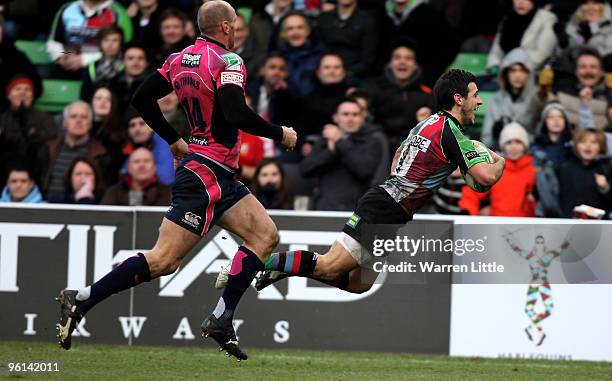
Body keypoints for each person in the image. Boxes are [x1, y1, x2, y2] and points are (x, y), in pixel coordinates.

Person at [54, 1, 297, 362]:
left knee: (265, 235)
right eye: (235, 24)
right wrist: (280, 133)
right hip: (205, 175)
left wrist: (172, 138)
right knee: (165, 260)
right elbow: (234, 111)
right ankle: (83, 298)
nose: (237, 29)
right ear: (227, 28)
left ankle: (221, 318)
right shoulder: (229, 62)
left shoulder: (180, 58)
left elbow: (141, 97)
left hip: (216, 172)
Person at [251, 69, 505, 299]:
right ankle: (258, 262)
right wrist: (500, 161)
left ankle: (284, 268)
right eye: (475, 95)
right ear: (459, 99)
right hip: (385, 207)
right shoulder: (453, 134)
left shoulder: (428, 122)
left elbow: (398, 157)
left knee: (359, 284)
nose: (479, 101)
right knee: (329, 266)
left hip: (390, 207)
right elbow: (485, 179)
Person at [300, 99, 383, 211]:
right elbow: (305, 169)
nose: (350, 118)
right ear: (335, 118)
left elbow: (363, 170)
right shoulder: (325, 141)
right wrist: (329, 152)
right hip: (325, 207)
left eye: (355, 114)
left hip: (356, 210)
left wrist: (340, 142)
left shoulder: (371, 142)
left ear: (362, 118)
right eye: (345, 114)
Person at [361, 42, 435, 151]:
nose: (402, 62)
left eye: (408, 58)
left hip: (413, 149)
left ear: (415, 65)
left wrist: (427, 122)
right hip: (378, 147)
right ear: (390, 64)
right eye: (397, 57)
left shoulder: (426, 94)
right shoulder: (374, 89)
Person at [459, 122, 537, 217]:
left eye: (518, 142)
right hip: (497, 224)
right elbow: (472, 193)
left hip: (526, 225)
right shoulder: (495, 167)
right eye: (509, 142)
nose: (513, 146)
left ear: (525, 146)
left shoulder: (534, 170)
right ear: (502, 146)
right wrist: (468, 212)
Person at [39, 101, 108, 202]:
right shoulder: (48, 149)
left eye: (83, 117)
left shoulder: (101, 154)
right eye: (73, 116)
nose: (78, 120)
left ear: (90, 124)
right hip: (47, 208)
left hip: (83, 210)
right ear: (64, 123)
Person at [47, 0, 133, 77]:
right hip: (69, 61)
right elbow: (54, 41)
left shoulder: (118, 12)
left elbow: (124, 49)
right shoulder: (67, 9)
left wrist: (85, 59)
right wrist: (61, 55)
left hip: (102, 66)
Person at [0, 75, 56, 187]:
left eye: (27, 89)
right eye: (17, 89)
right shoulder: (2, 119)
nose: (22, 93)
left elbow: (48, 143)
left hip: (36, 171)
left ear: (32, 96)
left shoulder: (44, 119)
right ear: (9, 95)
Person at [536, 47, 610, 131]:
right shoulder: (561, 88)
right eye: (583, 67)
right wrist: (543, 90)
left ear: (601, 72)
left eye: (593, 67)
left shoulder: (608, 93)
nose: (588, 71)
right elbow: (537, 112)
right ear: (576, 71)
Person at [481, 48, 537, 149]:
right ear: (506, 73)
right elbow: (486, 139)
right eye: (513, 70)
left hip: (530, 155)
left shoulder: (537, 100)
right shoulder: (495, 100)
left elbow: (542, 137)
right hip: (501, 153)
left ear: (529, 74)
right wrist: (496, 136)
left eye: (522, 70)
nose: (518, 75)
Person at [487, 0, 557, 71]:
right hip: (505, 71)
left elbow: (542, 54)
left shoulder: (547, 18)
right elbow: (495, 51)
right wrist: (494, 65)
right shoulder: (507, 18)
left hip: (533, 71)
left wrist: (511, 66)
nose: (520, 2)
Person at [556, 127, 612, 217]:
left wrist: (606, 188)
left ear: (601, 146)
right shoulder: (564, 169)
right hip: (568, 223)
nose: (588, 146)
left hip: (599, 225)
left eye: (594, 142)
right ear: (576, 145)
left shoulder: (606, 169)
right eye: (583, 142)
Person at [316, 0, 377, 79]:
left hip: (356, 75)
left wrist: (349, 74)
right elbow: (317, 49)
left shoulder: (368, 20)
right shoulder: (324, 18)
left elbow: (368, 57)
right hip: (325, 74)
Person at [299, 52, 350, 137]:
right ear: (318, 72)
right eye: (327, 67)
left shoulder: (352, 98)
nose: (332, 71)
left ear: (344, 72)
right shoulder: (306, 101)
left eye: (336, 67)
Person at [101, 147, 171, 206]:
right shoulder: (113, 192)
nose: (142, 165)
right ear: (128, 167)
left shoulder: (168, 193)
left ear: (154, 166)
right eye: (136, 161)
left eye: (146, 161)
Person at [122, 108, 174, 185]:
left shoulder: (165, 143)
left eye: (142, 123)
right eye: (132, 125)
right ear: (128, 132)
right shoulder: (128, 148)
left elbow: (166, 178)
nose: (137, 129)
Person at [278, 12, 325, 97]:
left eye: (300, 28)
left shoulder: (321, 56)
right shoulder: (277, 58)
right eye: (290, 29)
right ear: (284, 33)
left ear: (308, 31)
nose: (295, 32)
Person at [90, 86, 128, 184]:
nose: (103, 102)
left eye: (108, 99)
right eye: (98, 98)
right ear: (92, 102)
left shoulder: (121, 133)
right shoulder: (83, 129)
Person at [80, 25, 125, 101]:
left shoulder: (126, 65)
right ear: (100, 43)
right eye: (106, 40)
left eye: (115, 40)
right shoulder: (92, 66)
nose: (110, 45)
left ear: (120, 44)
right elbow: (85, 95)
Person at [109, 43, 151, 113]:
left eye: (140, 58)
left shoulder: (153, 85)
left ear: (147, 63)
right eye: (130, 58)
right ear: (123, 62)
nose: (135, 63)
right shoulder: (113, 83)